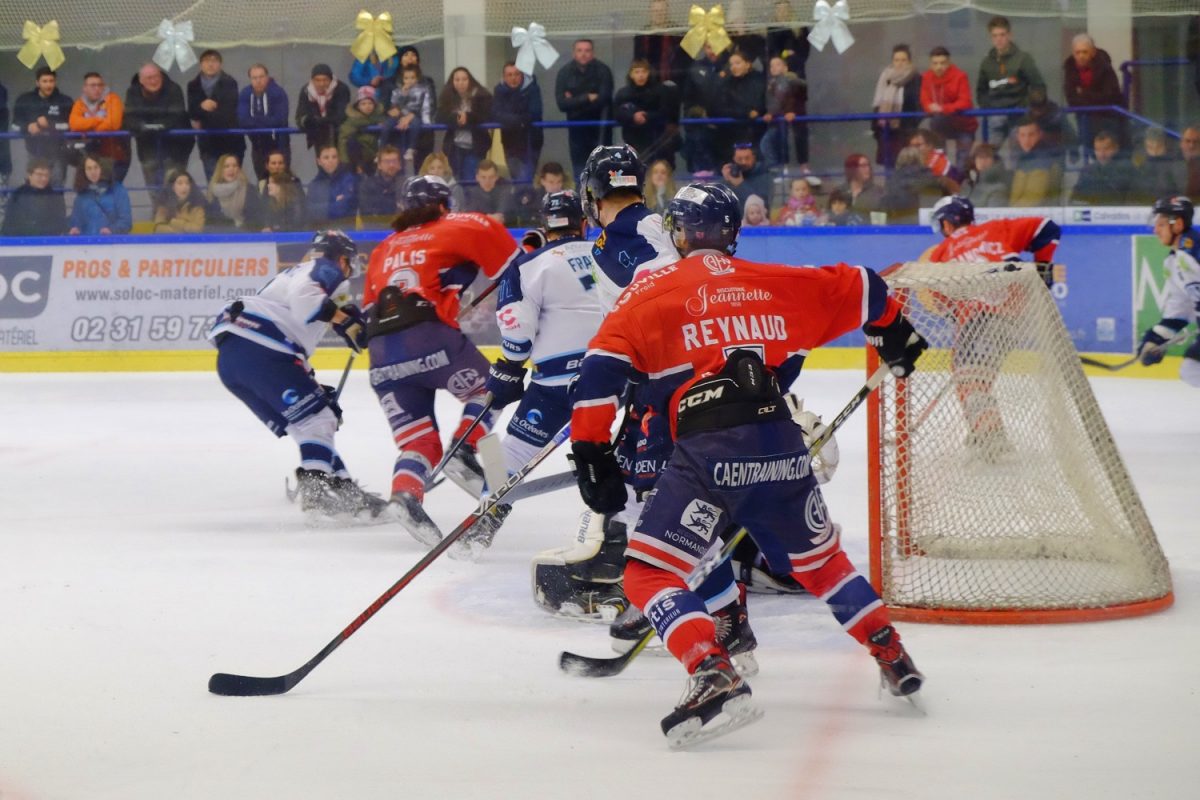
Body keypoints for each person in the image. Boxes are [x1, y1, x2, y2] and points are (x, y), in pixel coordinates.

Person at [567, 181, 927, 745]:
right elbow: (864, 285)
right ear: (733, 233)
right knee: (823, 564)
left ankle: (712, 670)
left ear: (680, 233)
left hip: (707, 449)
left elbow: (598, 374)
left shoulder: (652, 287)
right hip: (778, 442)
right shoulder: (776, 281)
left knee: (646, 571)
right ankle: (894, 657)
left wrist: (590, 450)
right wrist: (894, 333)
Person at [359, 175, 522, 545]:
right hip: (428, 337)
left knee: (419, 443)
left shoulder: (384, 248)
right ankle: (466, 446)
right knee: (491, 388)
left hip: (382, 356)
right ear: (445, 204)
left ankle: (405, 495)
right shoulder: (463, 223)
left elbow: (373, 306)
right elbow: (519, 271)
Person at [208, 230, 385, 520]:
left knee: (309, 423)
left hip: (235, 360)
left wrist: (311, 381)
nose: (350, 268)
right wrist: (347, 323)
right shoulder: (325, 268)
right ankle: (316, 498)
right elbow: (306, 299)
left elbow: (293, 317)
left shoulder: (292, 275)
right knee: (319, 419)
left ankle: (344, 488)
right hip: (262, 349)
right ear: (342, 258)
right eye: (349, 262)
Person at [474, 190, 603, 555]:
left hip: (555, 385)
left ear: (545, 226)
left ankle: (486, 513)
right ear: (584, 222)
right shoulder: (611, 256)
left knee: (510, 452)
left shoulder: (529, 264)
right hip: (614, 378)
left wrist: (509, 369)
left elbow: (517, 327)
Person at [924, 195, 1062, 457]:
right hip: (1016, 315)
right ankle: (983, 427)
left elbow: (940, 301)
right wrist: (1043, 269)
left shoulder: (941, 253)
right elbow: (1048, 228)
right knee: (975, 374)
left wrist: (954, 312)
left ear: (948, 223)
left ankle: (991, 435)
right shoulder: (996, 229)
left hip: (981, 318)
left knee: (969, 377)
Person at [1138, 196, 1200, 386]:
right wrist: (1155, 339)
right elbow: (1180, 310)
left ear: (1178, 224)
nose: (1155, 230)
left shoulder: (1196, 251)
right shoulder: (1173, 263)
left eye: (1161, 225)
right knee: (1191, 370)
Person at [976, 16, 1045, 145]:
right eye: (995, 35)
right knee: (989, 153)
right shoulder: (986, 63)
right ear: (991, 38)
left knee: (1018, 157)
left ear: (1010, 35)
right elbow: (981, 91)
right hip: (995, 115)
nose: (999, 39)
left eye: (1002, 35)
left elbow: (1038, 86)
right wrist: (990, 108)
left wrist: (1025, 105)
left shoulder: (1023, 59)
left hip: (1019, 115)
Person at [124, 63, 192, 188]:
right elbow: (129, 119)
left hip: (176, 148)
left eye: (156, 77)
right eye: (149, 78)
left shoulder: (174, 89)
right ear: (141, 81)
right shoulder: (132, 92)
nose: (154, 81)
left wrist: (152, 127)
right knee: (154, 190)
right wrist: (146, 127)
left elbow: (177, 115)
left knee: (175, 188)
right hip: (147, 149)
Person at [555, 39, 615, 178]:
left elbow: (604, 99)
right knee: (580, 174)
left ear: (593, 53)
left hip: (600, 130)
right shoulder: (564, 72)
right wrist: (587, 97)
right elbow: (561, 104)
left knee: (603, 174)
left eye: (587, 50)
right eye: (580, 50)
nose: (583, 54)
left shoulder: (603, 70)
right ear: (573, 53)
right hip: (577, 133)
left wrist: (574, 101)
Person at [1063, 33, 1127, 150]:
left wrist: (1084, 94)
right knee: (1088, 151)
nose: (1081, 56)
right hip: (1084, 119)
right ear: (1073, 53)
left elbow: (1111, 97)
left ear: (1093, 52)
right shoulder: (1069, 69)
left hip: (1108, 119)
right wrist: (1093, 97)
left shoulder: (1105, 68)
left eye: (1085, 52)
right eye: (1078, 52)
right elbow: (1071, 99)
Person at [187, 49, 244, 180]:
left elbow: (228, 113)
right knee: (213, 183)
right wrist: (202, 107)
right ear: (200, 64)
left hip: (231, 143)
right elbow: (192, 113)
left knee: (232, 183)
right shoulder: (193, 85)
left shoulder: (230, 82)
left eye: (214, 61)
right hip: (207, 145)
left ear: (220, 64)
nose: (210, 64)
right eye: (207, 61)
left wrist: (203, 116)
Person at [13, 67, 73, 185]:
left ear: (55, 82)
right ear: (37, 82)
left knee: (57, 188)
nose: (48, 85)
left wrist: (50, 125)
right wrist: (27, 127)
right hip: (33, 153)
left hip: (58, 153)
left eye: (51, 81)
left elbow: (70, 126)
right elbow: (14, 125)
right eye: (44, 81)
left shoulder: (65, 100)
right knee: (34, 188)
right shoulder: (24, 100)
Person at [920, 46, 977, 172]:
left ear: (949, 62)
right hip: (941, 124)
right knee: (940, 162)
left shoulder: (960, 76)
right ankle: (943, 187)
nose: (939, 67)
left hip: (964, 125)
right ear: (930, 64)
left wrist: (942, 108)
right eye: (935, 63)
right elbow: (924, 100)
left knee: (963, 163)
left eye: (942, 63)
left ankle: (961, 188)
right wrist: (930, 107)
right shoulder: (926, 78)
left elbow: (965, 101)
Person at [68, 72, 129, 183]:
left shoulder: (113, 99)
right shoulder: (79, 103)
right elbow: (74, 124)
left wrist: (88, 130)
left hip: (113, 155)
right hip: (89, 157)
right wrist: (98, 120)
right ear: (85, 88)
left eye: (100, 85)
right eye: (92, 85)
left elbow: (113, 124)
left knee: (109, 190)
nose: (97, 88)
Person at [436, 67, 493, 181]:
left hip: (475, 147)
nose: (460, 83)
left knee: (470, 181)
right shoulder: (448, 97)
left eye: (464, 79)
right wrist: (456, 118)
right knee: (457, 182)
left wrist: (468, 117)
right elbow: (439, 117)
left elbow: (487, 116)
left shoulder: (482, 95)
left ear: (470, 80)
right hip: (454, 147)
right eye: (457, 80)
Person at [614, 59, 675, 165]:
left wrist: (647, 116)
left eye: (643, 72)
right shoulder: (623, 93)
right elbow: (616, 113)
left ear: (649, 73)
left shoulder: (660, 91)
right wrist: (632, 117)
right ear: (631, 75)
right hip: (632, 140)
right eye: (637, 72)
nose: (640, 75)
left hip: (656, 139)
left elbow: (665, 112)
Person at [682, 42, 730, 174]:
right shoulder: (695, 69)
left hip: (728, 128)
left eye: (715, 45)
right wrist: (696, 116)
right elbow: (688, 100)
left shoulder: (732, 66)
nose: (712, 50)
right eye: (709, 47)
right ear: (704, 48)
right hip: (701, 128)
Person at [492, 62, 544, 183]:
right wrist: (520, 121)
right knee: (516, 178)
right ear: (504, 77)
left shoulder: (532, 89)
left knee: (526, 179)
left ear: (522, 75)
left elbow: (535, 113)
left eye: (516, 74)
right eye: (509, 75)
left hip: (531, 141)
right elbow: (495, 114)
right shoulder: (499, 90)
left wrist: (509, 119)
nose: (513, 78)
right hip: (510, 142)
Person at [871, 44, 922, 168]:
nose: (899, 63)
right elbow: (877, 103)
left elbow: (918, 103)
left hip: (906, 130)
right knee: (889, 167)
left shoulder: (916, 78)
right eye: (896, 60)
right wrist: (876, 128)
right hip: (887, 131)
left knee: (907, 166)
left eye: (903, 60)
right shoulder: (885, 77)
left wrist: (911, 124)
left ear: (909, 61)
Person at [238, 64, 290, 182]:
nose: (258, 81)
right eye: (254, 78)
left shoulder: (278, 92)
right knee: (262, 181)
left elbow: (280, 119)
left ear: (267, 77)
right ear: (250, 79)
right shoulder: (245, 93)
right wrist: (266, 120)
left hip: (279, 144)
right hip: (257, 146)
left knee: (281, 181)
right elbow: (242, 120)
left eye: (261, 77)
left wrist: (255, 120)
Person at [759, 54, 808, 172]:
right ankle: (782, 167)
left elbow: (798, 98)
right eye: (771, 66)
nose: (774, 68)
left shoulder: (793, 81)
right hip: (778, 119)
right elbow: (772, 101)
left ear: (785, 67)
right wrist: (770, 113)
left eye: (777, 65)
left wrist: (792, 111)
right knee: (775, 141)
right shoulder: (771, 84)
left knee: (799, 139)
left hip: (795, 117)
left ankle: (804, 168)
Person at [717, 50, 766, 157]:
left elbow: (760, 104)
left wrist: (754, 111)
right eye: (731, 64)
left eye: (737, 63)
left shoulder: (758, 81)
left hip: (756, 130)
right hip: (732, 132)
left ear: (748, 64)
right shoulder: (727, 83)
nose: (734, 67)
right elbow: (722, 106)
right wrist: (745, 112)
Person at [385, 65, 434, 173]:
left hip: (416, 116)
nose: (409, 81)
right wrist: (403, 94)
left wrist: (426, 121)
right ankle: (381, 148)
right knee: (388, 124)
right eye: (406, 78)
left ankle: (411, 149)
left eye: (412, 78)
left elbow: (424, 106)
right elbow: (394, 105)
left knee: (416, 124)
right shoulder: (398, 91)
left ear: (417, 78)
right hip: (400, 117)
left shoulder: (423, 90)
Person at [1, 159, 67, 236]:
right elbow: (10, 223)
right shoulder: (18, 195)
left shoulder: (55, 197)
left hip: (48, 243)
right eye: (39, 175)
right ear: (30, 175)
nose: (44, 179)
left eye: (47, 175)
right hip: (21, 242)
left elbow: (60, 224)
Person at [68, 156, 132, 235]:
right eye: (89, 168)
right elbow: (76, 223)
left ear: (103, 168)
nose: (93, 172)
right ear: (84, 171)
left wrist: (111, 230)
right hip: (89, 244)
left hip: (113, 243)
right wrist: (75, 230)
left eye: (96, 167)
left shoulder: (118, 190)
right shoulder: (81, 196)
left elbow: (126, 221)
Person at [634, 0, 692, 87]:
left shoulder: (678, 34)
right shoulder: (641, 36)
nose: (659, 14)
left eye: (661, 11)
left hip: (675, 85)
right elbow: (637, 62)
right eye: (656, 11)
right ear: (651, 12)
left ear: (667, 12)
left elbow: (686, 62)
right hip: (648, 86)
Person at [296, 64, 350, 153]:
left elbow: (342, 115)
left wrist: (323, 120)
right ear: (312, 80)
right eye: (317, 80)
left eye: (325, 80)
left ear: (331, 79)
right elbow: (300, 116)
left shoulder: (341, 89)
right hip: (318, 137)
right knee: (323, 165)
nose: (321, 84)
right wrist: (307, 121)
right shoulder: (306, 91)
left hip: (339, 136)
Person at [1071, 130, 1133, 206]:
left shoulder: (1127, 169)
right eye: (1098, 150)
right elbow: (1076, 198)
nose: (1102, 154)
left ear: (1116, 148)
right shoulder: (1087, 171)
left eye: (1106, 149)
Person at [1009, 117, 1062, 206]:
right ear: (1017, 137)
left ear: (1040, 135)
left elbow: (1031, 201)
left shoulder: (1044, 160)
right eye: (1022, 135)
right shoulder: (1023, 159)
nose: (1026, 140)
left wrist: (1008, 215)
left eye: (1031, 135)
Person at [205, 154, 264, 232]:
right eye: (227, 166)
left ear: (238, 169)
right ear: (220, 170)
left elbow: (256, 218)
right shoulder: (212, 192)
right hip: (220, 237)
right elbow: (211, 220)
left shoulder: (249, 190)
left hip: (245, 235)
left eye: (234, 166)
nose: (231, 169)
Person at [1129, 128, 1187, 206]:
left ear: (1165, 144)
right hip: (1141, 203)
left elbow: (1180, 186)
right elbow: (1133, 185)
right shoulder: (1138, 159)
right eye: (1150, 147)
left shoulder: (1175, 161)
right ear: (1145, 144)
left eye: (1159, 146)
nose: (1155, 151)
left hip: (1168, 203)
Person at [306, 145, 358, 228]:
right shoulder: (314, 185)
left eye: (334, 157)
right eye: (326, 158)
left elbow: (345, 208)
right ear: (319, 161)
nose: (331, 160)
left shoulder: (349, 179)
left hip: (346, 228)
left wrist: (324, 206)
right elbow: (312, 211)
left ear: (339, 159)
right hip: (322, 230)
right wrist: (335, 203)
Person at [338, 86, 385, 175]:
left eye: (370, 103)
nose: (367, 106)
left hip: (375, 156)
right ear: (357, 106)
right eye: (363, 104)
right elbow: (343, 140)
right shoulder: (352, 121)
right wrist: (345, 162)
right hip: (358, 157)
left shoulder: (380, 119)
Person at [360, 145, 406, 225]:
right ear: (379, 165)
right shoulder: (368, 185)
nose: (391, 165)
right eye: (387, 162)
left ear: (399, 164)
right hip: (376, 228)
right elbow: (367, 212)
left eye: (394, 161)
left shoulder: (406, 184)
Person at [720, 144, 772, 214]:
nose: (743, 162)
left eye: (747, 158)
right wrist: (726, 180)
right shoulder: (730, 177)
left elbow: (761, 205)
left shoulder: (765, 177)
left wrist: (740, 185)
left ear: (754, 158)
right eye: (739, 159)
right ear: (734, 159)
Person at [765, 0, 810, 80]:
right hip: (778, 69)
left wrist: (794, 54)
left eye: (785, 9)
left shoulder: (800, 28)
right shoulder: (772, 29)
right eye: (779, 10)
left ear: (790, 10)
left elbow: (805, 51)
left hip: (797, 68)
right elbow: (771, 49)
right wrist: (781, 56)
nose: (782, 13)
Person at [961, 142, 1010, 207]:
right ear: (974, 160)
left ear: (994, 161)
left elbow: (994, 215)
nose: (982, 161)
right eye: (979, 157)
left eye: (987, 157)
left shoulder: (998, 189)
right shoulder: (967, 184)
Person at [837, 153, 885, 219]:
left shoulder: (878, 192)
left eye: (868, 165)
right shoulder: (839, 192)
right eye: (863, 166)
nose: (867, 169)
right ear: (852, 169)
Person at [1180, 125, 1200, 197]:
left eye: (1196, 142)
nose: (1191, 145)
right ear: (1181, 143)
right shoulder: (1170, 163)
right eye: (1188, 141)